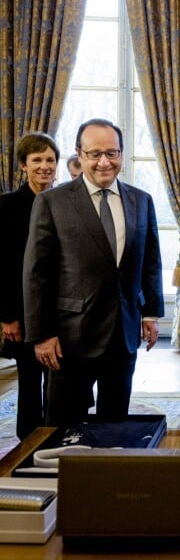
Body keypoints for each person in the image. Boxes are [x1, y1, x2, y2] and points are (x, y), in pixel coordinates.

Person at [23, 118, 164, 427]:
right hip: (70, 336)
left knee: (114, 425)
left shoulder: (141, 200)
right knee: (63, 427)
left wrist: (150, 313)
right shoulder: (52, 202)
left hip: (123, 334)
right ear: (80, 154)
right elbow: (37, 273)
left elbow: (150, 261)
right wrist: (42, 334)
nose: (104, 162)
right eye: (95, 153)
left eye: (112, 153)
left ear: (122, 155)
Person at [0, 133, 58, 439]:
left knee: (58, 382)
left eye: (50, 160)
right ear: (24, 165)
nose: (44, 166)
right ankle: (28, 442)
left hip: (61, 311)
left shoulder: (65, 202)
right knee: (30, 380)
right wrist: (8, 316)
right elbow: (2, 265)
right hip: (21, 311)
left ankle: (57, 437)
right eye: (37, 160)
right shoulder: (6, 206)